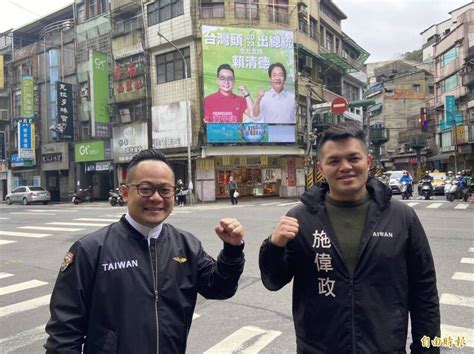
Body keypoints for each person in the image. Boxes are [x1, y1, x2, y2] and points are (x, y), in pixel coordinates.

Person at [259, 122, 440, 353]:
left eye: (353, 158)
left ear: (368, 161)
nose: (345, 167)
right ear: (321, 168)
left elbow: (425, 294)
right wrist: (275, 246)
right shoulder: (300, 218)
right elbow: (272, 281)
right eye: (334, 161)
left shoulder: (402, 217)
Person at [45, 149, 246, 353]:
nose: (156, 198)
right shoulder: (90, 250)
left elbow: (220, 288)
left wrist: (232, 249)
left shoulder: (187, 245)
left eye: (165, 190)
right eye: (146, 189)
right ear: (125, 192)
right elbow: (63, 335)